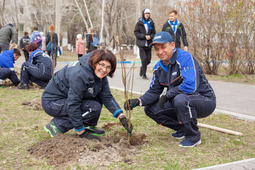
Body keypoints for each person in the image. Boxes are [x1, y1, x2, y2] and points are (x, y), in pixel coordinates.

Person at [124, 32, 216, 147]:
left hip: (204, 100)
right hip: (181, 100)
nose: (160, 52)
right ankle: (182, 128)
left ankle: (193, 137)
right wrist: (139, 101)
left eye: (163, 47)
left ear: (172, 45)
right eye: (157, 49)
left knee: (180, 99)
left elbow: (190, 85)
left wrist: (168, 95)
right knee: (151, 109)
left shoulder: (184, 58)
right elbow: (154, 91)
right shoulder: (158, 67)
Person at [41, 49, 133, 141]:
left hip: (66, 99)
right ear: (95, 62)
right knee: (92, 107)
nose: (104, 70)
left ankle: (88, 125)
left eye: (108, 67)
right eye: (102, 64)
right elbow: (73, 103)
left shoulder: (98, 74)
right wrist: (81, 132)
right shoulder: (80, 74)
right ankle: (57, 125)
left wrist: (121, 116)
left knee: (97, 96)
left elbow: (107, 96)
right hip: (53, 103)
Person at [134, 8, 156, 80]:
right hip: (141, 44)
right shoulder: (139, 22)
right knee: (144, 59)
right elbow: (136, 32)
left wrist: (150, 36)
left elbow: (153, 33)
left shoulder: (151, 22)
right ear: (143, 14)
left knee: (148, 60)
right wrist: (144, 36)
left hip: (149, 44)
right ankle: (144, 74)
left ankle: (142, 68)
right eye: (146, 14)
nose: (147, 15)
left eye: (148, 14)